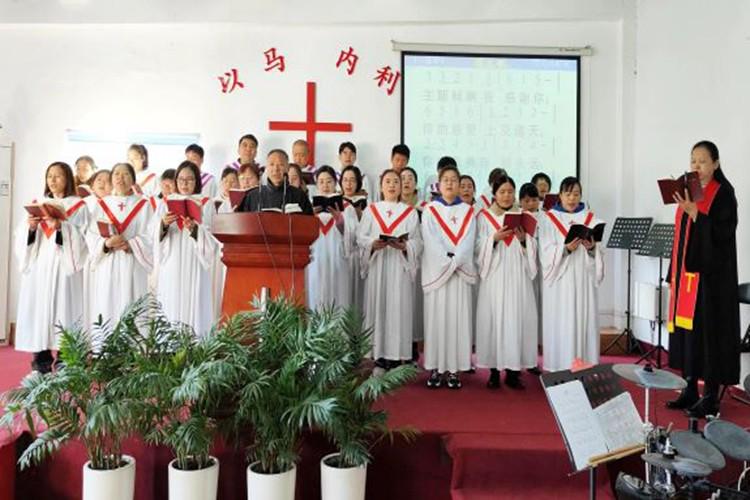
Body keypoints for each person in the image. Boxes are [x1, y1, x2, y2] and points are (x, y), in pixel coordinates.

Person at [666, 140, 740, 418]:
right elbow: (683, 236)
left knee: (708, 336)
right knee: (690, 336)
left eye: (703, 161)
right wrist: (673, 271)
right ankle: (689, 389)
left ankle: (710, 396)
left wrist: (696, 212)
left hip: (711, 281)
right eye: (693, 160)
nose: (696, 166)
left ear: (716, 164)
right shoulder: (690, 190)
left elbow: (723, 234)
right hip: (687, 278)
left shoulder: (724, 193)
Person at [14, 162, 89, 373]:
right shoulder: (39, 203)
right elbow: (21, 239)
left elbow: (84, 239)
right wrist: (30, 228)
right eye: (49, 176)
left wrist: (62, 228)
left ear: (67, 179)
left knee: (65, 311)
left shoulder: (79, 206)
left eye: (58, 176)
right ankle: (41, 361)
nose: (53, 180)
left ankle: (66, 361)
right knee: (41, 312)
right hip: (40, 267)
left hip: (64, 266)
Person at [475, 175, 538, 389]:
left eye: (510, 191)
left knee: (517, 319)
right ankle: (494, 370)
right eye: (502, 191)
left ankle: (513, 371)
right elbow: (478, 247)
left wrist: (523, 241)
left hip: (518, 276)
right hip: (495, 275)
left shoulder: (523, 216)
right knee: (494, 319)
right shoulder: (484, 218)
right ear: (494, 193)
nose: (506, 195)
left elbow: (532, 249)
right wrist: (493, 240)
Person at [538, 176, 604, 371]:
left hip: (583, 278)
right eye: (568, 193)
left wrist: (592, 249)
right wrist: (565, 249)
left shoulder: (590, 218)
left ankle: (584, 367)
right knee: (562, 322)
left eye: (576, 194)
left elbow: (599, 252)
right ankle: (559, 367)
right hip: (561, 282)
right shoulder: (548, 218)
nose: (572, 198)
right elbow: (545, 249)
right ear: (560, 195)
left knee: (583, 322)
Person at [358, 170, 422, 369]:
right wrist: (371, 244)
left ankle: (395, 356)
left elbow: (418, 241)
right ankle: (379, 355)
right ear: (381, 186)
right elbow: (360, 236)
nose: (392, 185)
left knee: (397, 307)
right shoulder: (371, 210)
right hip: (378, 264)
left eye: (396, 181)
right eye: (388, 181)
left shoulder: (409, 212)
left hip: (398, 267)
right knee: (379, 306)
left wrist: (406, 247)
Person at [421, 165, 477, 389]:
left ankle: (454, 370)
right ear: (439, 184)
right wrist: (447, 262)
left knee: (457, 320)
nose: (451, 184)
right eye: (446, 180)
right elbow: (430, 240)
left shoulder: (468, 211)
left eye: (455, 180)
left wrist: (456, 261)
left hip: (458, 274)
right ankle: (436, 367)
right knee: (437, 320)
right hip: (439, 272)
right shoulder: (430, 210)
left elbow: (469, 239)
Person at [154, 161, 220, 336]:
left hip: (195, 260)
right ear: (175, 181)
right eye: (181, 179)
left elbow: (213, 236)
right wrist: (164, 224)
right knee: (171, 299)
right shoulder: (165, 202)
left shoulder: (206, 203)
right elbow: (152, 235)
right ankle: (170, 348)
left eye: (189, 179)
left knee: (195, 299)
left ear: (197, 181)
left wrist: (194, 229)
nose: (184, 183)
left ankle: (197, 343)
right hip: (172, 259)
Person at [86, 162, 154, 329]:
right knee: (107, 303)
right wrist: (106, 243)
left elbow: (151, 234)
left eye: (125, 174)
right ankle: (105, 350)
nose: (120, 178)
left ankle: (133, 352)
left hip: (132, 261)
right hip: (108, 262)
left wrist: (130, 244)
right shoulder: (102, 204)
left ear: (133, 179)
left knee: (132, 305)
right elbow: (91, 234)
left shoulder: (144, 205)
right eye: (116, 174)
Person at [306, 166, 351, 310]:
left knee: (338, 298)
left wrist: (340, 220)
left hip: (337, 258)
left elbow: (354, 236)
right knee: (315, 295)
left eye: (329, 181)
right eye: (321, 182)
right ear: (316, 184)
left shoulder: (347, 207)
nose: (325, 186)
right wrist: (309, 218)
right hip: (315, 259)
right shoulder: (308, 207)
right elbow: (302, 234)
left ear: (336, 183)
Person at [400, 166, 426, 361]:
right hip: (397, 262)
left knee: (415, 303)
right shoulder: (391, 208)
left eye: (411, 178)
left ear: (416, 183)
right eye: (403, 178)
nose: (407, 181)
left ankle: (413, 346)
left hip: (418, 261)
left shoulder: (426, 208)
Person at [237, 150, 313, 214]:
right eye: (272, 164)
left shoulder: (299, 196)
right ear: (266, 168)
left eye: (280, 165)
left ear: (287, 168)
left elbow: (310, 225)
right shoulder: (252, 196)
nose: (276, 169)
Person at [340, 166, 366, 314]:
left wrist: (360, 215)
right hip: (339, 254)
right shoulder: (335, 201)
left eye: (352, 180)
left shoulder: (364, 203)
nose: (348, 184)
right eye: (345, 180)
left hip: (356, 255)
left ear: (358, 183)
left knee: (355, 294)